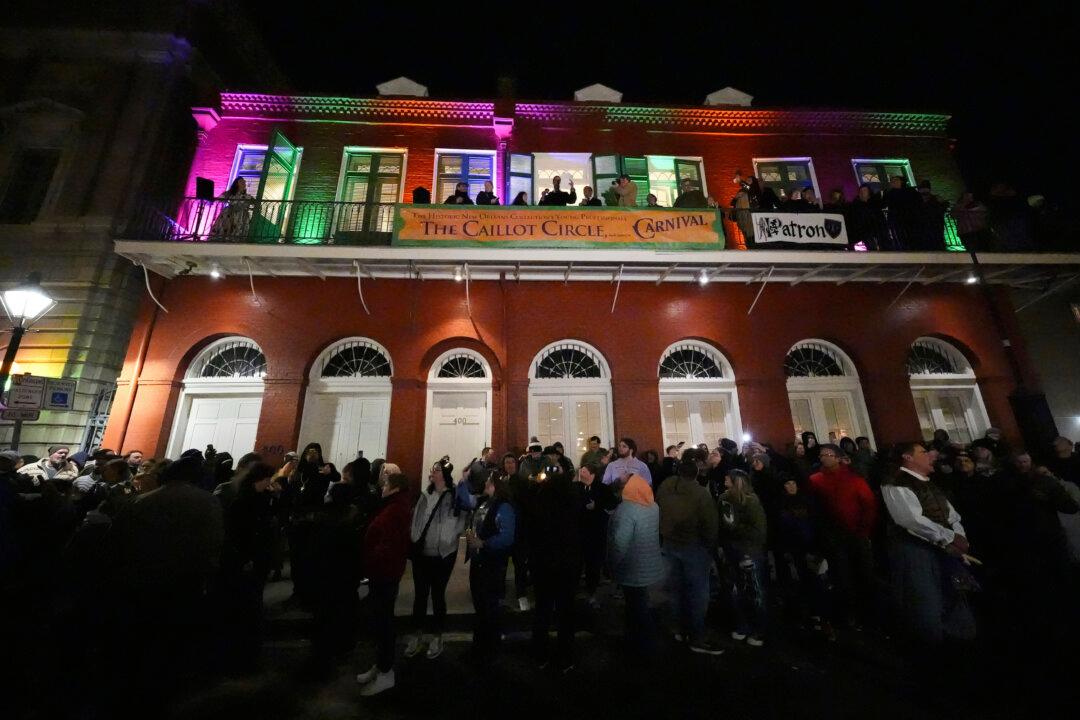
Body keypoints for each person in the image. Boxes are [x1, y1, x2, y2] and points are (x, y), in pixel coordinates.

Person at [881, 442, 975, 647]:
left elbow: (951, 514)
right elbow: (909, 519)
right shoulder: (895, 483)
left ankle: (958, 639)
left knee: (952, 593)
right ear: (908, 458)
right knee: (925, 600)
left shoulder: (928, 483)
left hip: (941, 547)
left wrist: (957, 535)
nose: (930, 456)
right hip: (916, 550)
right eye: (923, 452)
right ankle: (932, 645)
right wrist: (948, 537)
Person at [655, 456, 723, 655]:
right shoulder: (701, 494)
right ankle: (697, 636)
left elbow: (658, 505)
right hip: (694, 547)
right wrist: (711, 548)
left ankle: (678, 629)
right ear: (695, 474)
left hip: (669, 544)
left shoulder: (666, 487)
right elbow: (710, 525)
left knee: (675, 589)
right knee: (698, 594)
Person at [523, 454, 584, 673]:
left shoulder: (540, 499)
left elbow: (530, 527)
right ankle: (565, 656)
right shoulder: (572, 498)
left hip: (545, 563)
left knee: (544, 609)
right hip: (566, 563)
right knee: (565, 611)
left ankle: (540, 654)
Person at [807, 443, 878, 629]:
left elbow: (868, 504)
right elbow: (815, 510)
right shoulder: (815, 480)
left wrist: (864, 530)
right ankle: (849, 614)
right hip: (834, 536)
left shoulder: (854, 477)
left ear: (838, 457)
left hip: (857, 534)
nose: (824, 457)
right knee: (842, 576)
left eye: (828, 454)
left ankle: (869, 613)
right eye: (821, 455)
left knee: (864, 574)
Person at [356, 471, 412, 696]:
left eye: (386, 483)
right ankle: (380, 666)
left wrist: (368, 562)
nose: (382, 486)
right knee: (382, 621)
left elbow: (386, 545)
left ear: (395, 487)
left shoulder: (395, 510)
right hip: (384, 571)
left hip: (384, 572)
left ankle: (386, 672)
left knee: (384, 622)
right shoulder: (393, 506)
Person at [405, 458, 466, 660]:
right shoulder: (425, 495)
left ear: (445, 475)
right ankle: (417, 634)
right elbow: (417, 519)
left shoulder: (454, 495)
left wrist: (450, 540)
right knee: (420, 595)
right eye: (434, 468)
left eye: (438, 469)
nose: (433, 471)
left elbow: (461, 518)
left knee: (438, 594)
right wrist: (414, 537)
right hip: (423, 553)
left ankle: (437, 635)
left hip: (443, 554)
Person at [608, 473, 663, 655]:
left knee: (636, 609)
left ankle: (641, 646)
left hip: (632, 568)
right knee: (642, 605)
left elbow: (619, 544)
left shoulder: (626, 510)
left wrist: (612, 565)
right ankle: (644, 642)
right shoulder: (652, 506)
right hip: (650, 565)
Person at [464, 473, 516, 663]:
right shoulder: (485, 503)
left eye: (489, 481)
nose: (486, 483)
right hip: (479, 561)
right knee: (480, 605)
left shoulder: (504, 507)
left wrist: (483, 543)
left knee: (489, 606)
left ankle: (489, 648)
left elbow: (507, 536)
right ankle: (480, 645)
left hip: (492, 563)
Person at [718, 469, 768, 646]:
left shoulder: (751, 501)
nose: (724, 479)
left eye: (727, 477)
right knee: (734, 589)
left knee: (754, 590)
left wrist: (736, 531)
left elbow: (759, 529)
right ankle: (742, 624)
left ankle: (759, 628)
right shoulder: (724, 498)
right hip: (731, 549)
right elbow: (722, 524)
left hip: (748, 550)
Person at [577, 462, 616, 607]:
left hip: (596, 532)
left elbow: (612, 504)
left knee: (593, 564)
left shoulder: (603, 489)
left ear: (592, 474)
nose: (581, 473)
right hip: (580, 532)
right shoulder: (577, 487)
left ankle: (591, 592)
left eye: (584, 471)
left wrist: (597, 506)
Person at [847, 184, 886, 250]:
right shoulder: (855, 206)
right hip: (864, 233)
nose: (862, 193)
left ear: (869, 192)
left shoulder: (875, 203)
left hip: (878, 230)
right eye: (861, 191)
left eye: (864, 190)